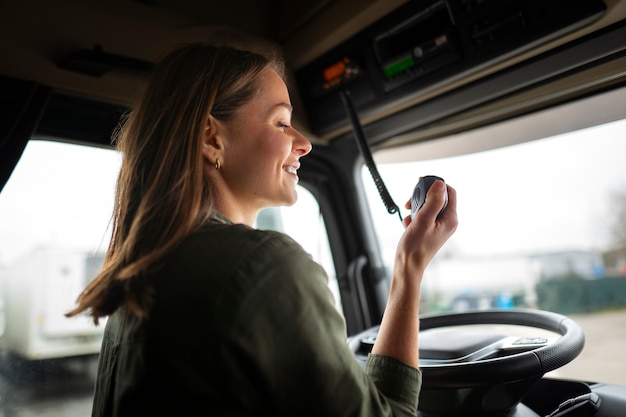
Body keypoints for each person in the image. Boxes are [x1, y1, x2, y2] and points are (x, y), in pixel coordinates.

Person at [66, 42, 457, 417]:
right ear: (210, 137)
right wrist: (410, 268)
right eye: (282, 122)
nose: (303, 143)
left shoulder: (142, 274)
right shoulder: (262, 267)